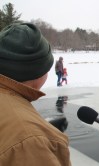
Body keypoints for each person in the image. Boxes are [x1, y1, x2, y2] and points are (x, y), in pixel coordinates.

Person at [0, 23, 71, 165]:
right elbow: (23, 142)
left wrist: (40, 126)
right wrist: (41, 137)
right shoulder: (31, 141)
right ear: (38, 72)